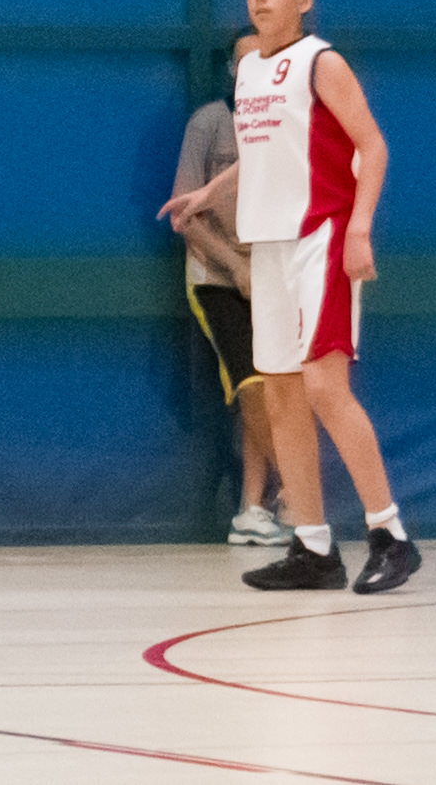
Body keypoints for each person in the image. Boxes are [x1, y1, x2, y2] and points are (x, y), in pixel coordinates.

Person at [161, 0, 416, 594]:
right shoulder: (250, 71)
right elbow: (264, 153)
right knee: (280, 394)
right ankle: (314, 546)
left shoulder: (321, 62)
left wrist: (359, 228)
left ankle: (390, 535)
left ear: (304, 0)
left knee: (326, 387)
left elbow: (374, 146)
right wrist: (208, 192)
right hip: (267, 243)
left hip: (320, 239)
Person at [173, 98, 283, 547]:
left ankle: (252, 510)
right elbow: (184, 213)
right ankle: (298, 490)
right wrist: (235, 267)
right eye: (242, 64)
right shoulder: (209, 123)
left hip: (271, 275)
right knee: (251, 385)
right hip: (215, 279)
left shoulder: (282, 121)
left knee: (271, 387)